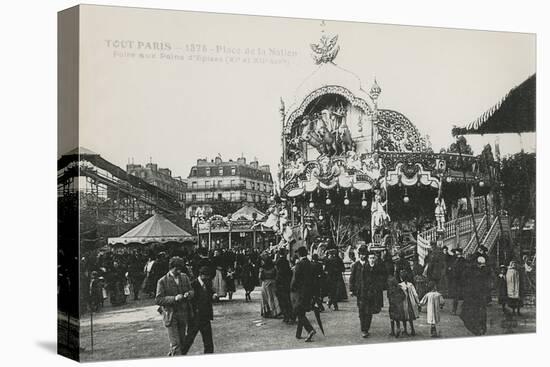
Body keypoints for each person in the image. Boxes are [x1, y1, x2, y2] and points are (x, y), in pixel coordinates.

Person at [155, 256, 194, 356]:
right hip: (170, 315)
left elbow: (191, 291)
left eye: (180, 269)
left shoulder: (185, 277)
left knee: (181, 342)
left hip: (183, 314)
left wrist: (188, 294)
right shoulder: (162, 281)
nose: (179, 271)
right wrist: (174, 298)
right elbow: (158, 299)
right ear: (171, 268)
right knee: (176, 344)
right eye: (177, 269)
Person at [349, 247, 384, 338]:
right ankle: (363, 328)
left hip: (369, 293)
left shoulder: (370, 266)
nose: (363, 256)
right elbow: (352, 278)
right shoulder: (356, 265)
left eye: (364, 254)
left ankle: (366, 329)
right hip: (359, 292)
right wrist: (351, 289)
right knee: (361, 310)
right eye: (361, 254)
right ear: (359, 255)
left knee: (368, 311)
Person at [181, 266, 217, 354]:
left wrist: (214, 296)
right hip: (194, 318)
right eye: (206, 277)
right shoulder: (193, 285)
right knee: (189, 340)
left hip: (206, 317)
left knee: (208, 343)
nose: (208, 279)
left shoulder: (208, 283)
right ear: (201, 275)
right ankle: (179, 356)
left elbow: (210, 294)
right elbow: (188, 300)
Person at [290, 246, 316, 342]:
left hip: (299, 292)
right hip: (308, 292)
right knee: (302, 312)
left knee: (298, 312)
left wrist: (292, 288)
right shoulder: (310, 264)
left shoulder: (299, 265)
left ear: (299, 254)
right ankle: (298, 334)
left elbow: (295, 279)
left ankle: (310, 330)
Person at [459, 256, 490, 335]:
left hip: (474, 295)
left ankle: (478, 328)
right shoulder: (474, 271)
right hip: (475, 295)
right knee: (476, 312)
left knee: (474, 312)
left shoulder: (477, 271)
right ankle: (479, 328)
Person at [398, 270, 420, 336]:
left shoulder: (400, 285)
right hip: (410, 302)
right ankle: (412, 330)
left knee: (404, 317)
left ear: (401, 278)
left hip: (403, 303)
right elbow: (415, 294)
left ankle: (405, 330)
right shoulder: (410, 284)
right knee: (410, 317)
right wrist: (418, 302)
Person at [275, 248, 294, 323]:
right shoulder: (285, 262)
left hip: (280, 284)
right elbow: (289, 273)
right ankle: (290, 315)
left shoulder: (278, 262)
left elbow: (278, 273)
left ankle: (286, 316)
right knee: (287, 300)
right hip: (286, 283)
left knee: (282, 301)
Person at [387, 273, 406, 338]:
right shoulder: (399, 288)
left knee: (392, 318)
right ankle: (398, 328)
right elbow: (404, 296)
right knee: (397, 318)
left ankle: (392, 331)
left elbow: (388, 297)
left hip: (392, 305)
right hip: (398, 305)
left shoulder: (390, 290)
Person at [448, 248, 466, 315]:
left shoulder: (462, 260)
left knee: (458, 296)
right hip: (455, 279)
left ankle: (456, 310)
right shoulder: (455, 259)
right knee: (456, 295)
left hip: (459, 280)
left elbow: (462, 270)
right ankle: (455, 310)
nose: (455, 252)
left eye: (456, 251)